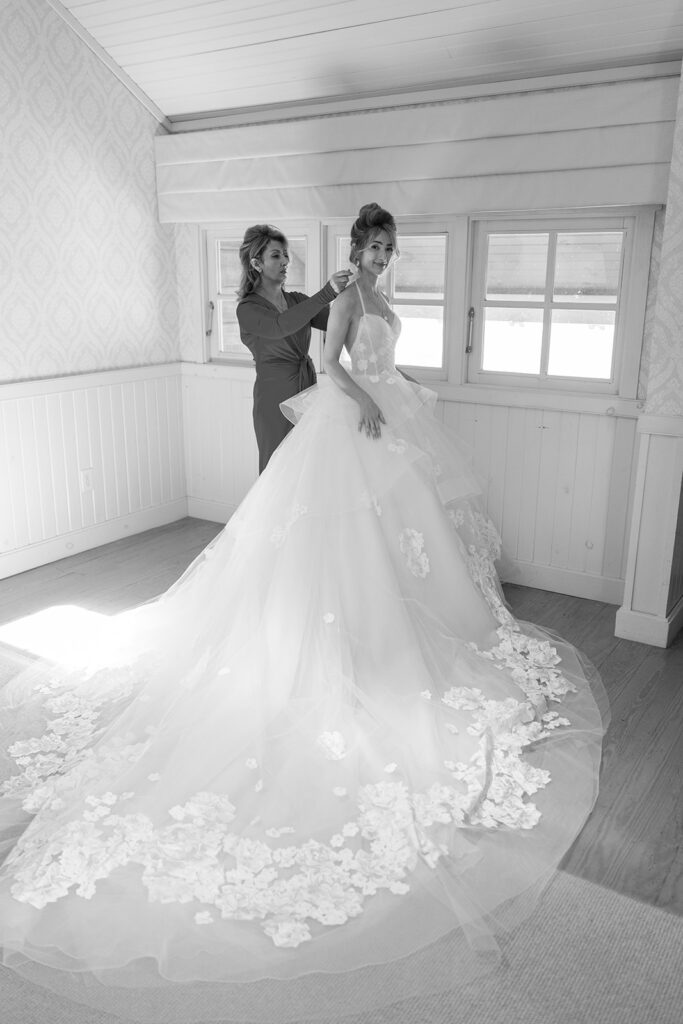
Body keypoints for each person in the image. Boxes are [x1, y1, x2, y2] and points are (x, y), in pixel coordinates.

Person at [0, 203, 607, 1024]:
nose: (380, 256)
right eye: (371, 246)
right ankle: (334, 635)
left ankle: (404, 624)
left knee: (403, 544)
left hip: (383, 415)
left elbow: (357, 349)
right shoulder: (334, 296)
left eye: (388, 248)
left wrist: (397, 389)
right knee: (324, 540)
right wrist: (363, 393)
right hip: (347, 417)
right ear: (351, 248)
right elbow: (328, 359)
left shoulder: (370, 293)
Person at [236, 224, 352, 472]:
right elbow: (280, 326)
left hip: (308, 393)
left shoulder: (297, 301)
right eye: (276, 255)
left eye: (286, 254)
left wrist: (359, 297)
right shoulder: (247, 309)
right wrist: (326, 292)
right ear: (256, 264)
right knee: (277, 472)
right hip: (274, 400)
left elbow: (337, 325)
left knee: (308, 470)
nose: (285, 261)